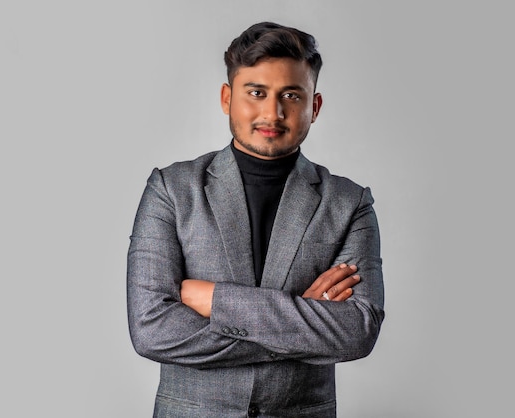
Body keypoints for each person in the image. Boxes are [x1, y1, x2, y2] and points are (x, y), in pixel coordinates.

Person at [127, 21, 385, 418]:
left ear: (314, 107)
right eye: (257, 93)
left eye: (291, 95)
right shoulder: (171, 189)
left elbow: (356, 331)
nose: (273, 112)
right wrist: (302, 320)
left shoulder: (350, 202)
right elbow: (151, 331)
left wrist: (215, 300)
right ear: (228, 98)